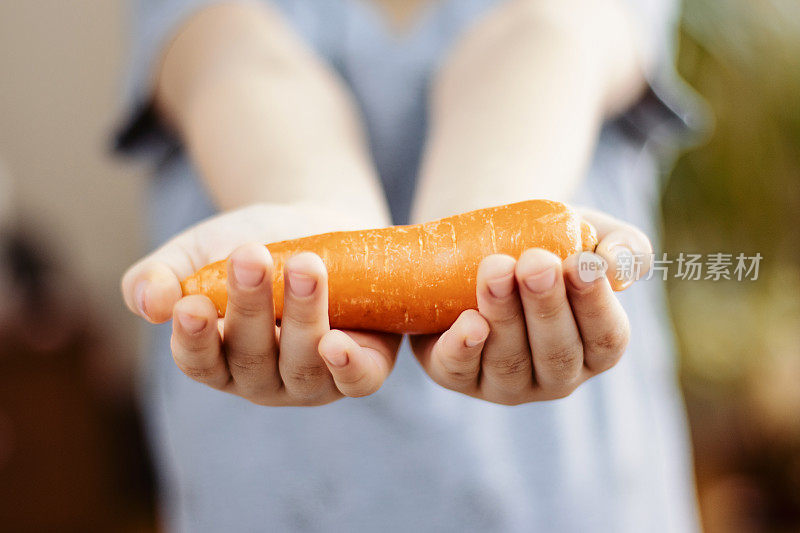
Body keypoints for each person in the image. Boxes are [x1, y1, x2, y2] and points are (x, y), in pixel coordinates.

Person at [116, 0, 701, 530]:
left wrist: (495, 210)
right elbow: (227, 51)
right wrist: (314, 210)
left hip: (565, 494)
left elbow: (552, 32)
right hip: (269, 498)